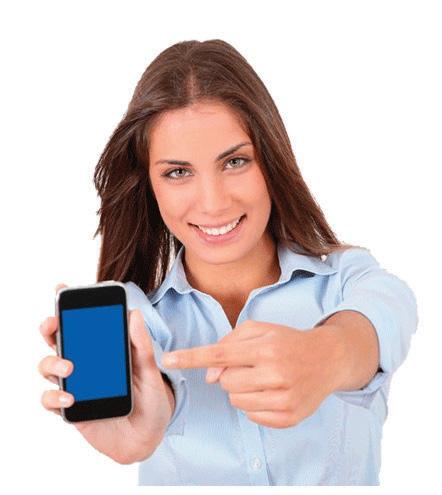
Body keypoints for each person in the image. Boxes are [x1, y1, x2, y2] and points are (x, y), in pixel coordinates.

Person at [37, 39, 418, 485]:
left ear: (271, 161)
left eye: (235, 162)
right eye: (178, 172)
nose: (213, 203)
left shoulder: (346, 280)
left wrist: (325, 356)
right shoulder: (137, 315)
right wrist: (146, 415)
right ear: (149, 186)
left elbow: (388, 310)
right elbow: (151, 362)